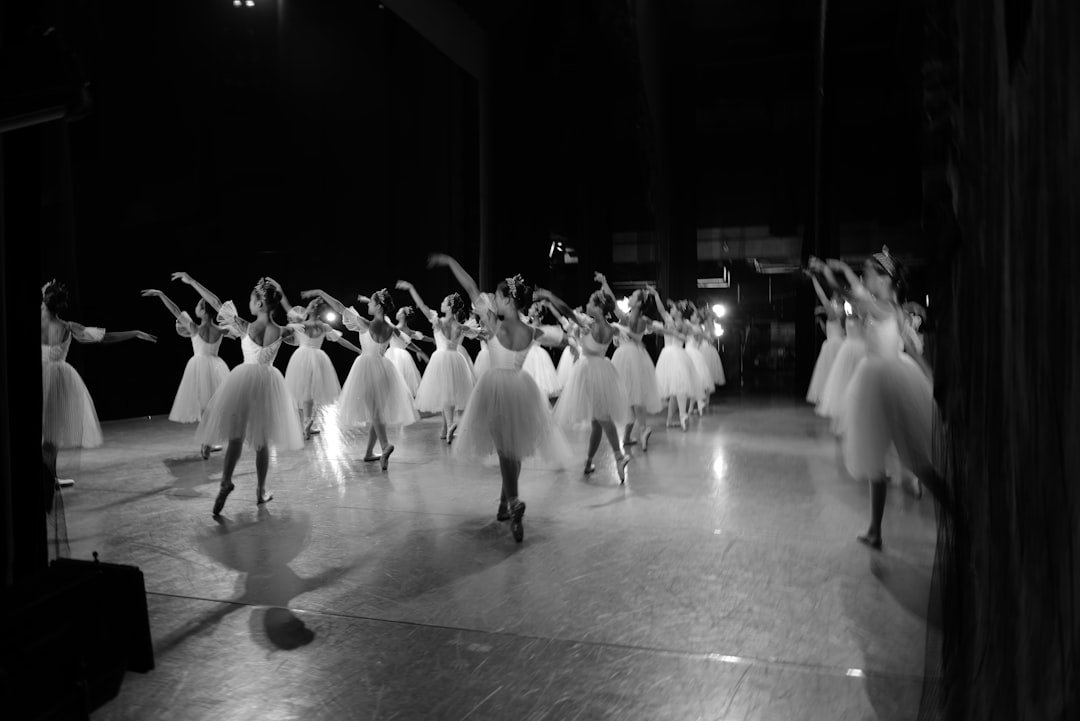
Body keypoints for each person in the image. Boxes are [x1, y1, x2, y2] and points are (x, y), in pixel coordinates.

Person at [428, 254, 570, 543]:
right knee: (513, 448)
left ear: (508, 300)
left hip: (495, 388)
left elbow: (469, 286)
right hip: (521, 388)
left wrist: (449, 261)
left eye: (498, 295)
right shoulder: (532, 330)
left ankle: (514, 501)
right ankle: (505, 504)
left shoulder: (493, 324)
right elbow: (564, 338)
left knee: (506, 449)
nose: (492, 297)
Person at [811, 249, 940, 549]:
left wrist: (839, 268)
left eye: (868, 273)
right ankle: (874, 530)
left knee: (912, 461)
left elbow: (849, 293)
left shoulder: (884, 307)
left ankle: (957, 513)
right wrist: (929, 376)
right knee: (876, 463)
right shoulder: (888, 307)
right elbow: (911, 348)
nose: (864, 278)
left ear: (884, 279)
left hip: (887, 384)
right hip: (881, 381)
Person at [174, 273, 303, 515]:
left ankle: (226, 480)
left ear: (260, 304)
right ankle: (261, 490)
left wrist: (192, 281)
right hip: (268, 384)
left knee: (235, 436)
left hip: (243, 381)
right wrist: (281, 290)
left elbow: (214, 302)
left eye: (252, 300)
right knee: (261, 442)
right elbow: (299, 327)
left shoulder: (246, 326)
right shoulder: (282, 331)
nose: (249, 303)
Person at [42, 280, 157, 486]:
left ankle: (48, 477)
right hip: (56, 379)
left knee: (48, 430)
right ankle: (48, 478)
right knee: (51, 431)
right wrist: (135, 333)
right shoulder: (67, 327)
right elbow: (105, 338)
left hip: (46, 378)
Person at [304, 287, 419, 470]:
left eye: (372, 303)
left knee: (375, 411)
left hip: (367, 367)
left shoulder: (366, 324)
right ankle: (369, 453)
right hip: (385, 369)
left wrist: (321, 293)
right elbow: (408, 342)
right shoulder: (391, 329)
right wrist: (421, 353)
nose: (369, 305)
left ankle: (385, 445)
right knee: (377, 411)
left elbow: (340, 307)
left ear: (379, 306)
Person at [550, 288, 633, 482]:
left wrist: (549, 295)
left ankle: (619, 457)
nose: (587, 305)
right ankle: (588, 462)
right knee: (597, 422)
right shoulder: (611, 328)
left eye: (590, 302)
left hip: (588, 373)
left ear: (598, 308)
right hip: (603, 370)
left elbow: (566, 310)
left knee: (602, 418)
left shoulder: (588, 324)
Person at [142, 287, 235, 458]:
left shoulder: (194, 328)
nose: (196, 307)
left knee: (204, 406)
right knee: (211, 407)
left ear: (203, 311)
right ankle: (207, 441)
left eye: (199, 305)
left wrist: (161, 294)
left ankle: (206, 442)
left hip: (198, 366)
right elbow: (236, 333)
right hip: (216, 366)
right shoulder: (221, 330)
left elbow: (175, 310)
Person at [397, 281, 475, 442]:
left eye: (444, 302)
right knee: (450, 393)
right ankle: (446, 428)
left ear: (448, 307)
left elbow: (422, 305)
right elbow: (477, 333)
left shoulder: (438, 321)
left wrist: (411, 288)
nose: (441, 303)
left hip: (441, 358)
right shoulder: (459, 326)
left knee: (446, 394)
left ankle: (450, 424)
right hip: (456, 358)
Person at [282, 298, 362, 439]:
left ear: (312, 309)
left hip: (301, 357)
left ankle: (304, 423)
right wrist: (357, 350)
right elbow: (341, 341)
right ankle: (306, 423)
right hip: (318, 358)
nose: (306, 308)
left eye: (308, 306)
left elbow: (285, 333)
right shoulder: (324, 326)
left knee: (302, 391)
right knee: (308, 392)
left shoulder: (303, 325)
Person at [646, 287, 698, 431]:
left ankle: (682, 416)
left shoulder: (686, 325)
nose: (671, 310)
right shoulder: (668, 319)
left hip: (678, 355)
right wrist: (656, 294)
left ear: (680, 312)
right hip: (668, 356)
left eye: (674, 309)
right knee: (675, 390)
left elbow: (684, 337)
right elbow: (662, 310)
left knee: (679, 387)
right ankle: (672, 420)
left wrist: (668, 331)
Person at [805, 273, 846, 405]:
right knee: (833, 374)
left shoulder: (833, 312)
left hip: (833, 346)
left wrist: (814, 278)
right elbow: (831, 332)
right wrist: (821, 322)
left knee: (830, 374)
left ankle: (833, 399)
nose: (832, 298)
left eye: (834, 296)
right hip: (836, 343)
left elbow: (821, 295)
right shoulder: (838, 314)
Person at [387, 305, 430, 398]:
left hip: (394, 355)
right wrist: (432, 340)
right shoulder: (409, 331)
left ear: (402, 316)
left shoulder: (395, 328)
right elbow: (422, 337)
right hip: (403, 356)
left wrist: (419, 351)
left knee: (394, 381)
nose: (397, 313)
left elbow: (407, 342)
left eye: (399, 311)